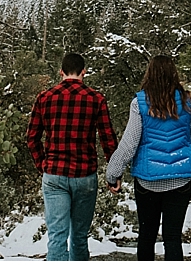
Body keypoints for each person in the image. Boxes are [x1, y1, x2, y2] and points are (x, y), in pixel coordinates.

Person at [105, 55, 191, 261]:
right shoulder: (187, 101)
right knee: (173, 238)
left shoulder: (139, 103)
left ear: (149, 74)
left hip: (148, 182)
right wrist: (182, 158)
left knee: (147, 236)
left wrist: (113, 174)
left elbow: (129, 145)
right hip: (181, 179)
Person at [27, 52, 118, 261]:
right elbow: (108, 139)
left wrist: (43, 164)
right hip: (85, 175)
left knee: (57, 237)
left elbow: (32, 137)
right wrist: (114, 174)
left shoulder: (45, 98)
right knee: (79, 236)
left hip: (54, 174)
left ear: (61, 72)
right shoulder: (96, 99)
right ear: (83, 72)